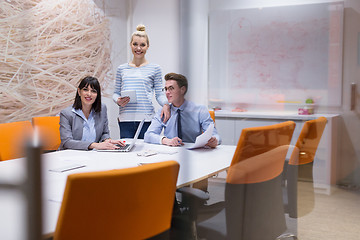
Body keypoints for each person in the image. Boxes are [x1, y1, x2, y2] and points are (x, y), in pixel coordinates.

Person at [113, 24, 170, 139]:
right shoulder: (121, 69)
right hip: (125, 120)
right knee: (127, 154)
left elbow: (159, 94)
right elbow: (116, 93)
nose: (138, 48)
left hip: (146, 119)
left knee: (146, 153)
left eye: (142, 45)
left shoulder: (155, 68)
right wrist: (118, 100)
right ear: (130, 45)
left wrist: (166, 104)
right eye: (135, 44)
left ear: (147, 46)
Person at [144, 72, 221, 147]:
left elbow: (215, 135)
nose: (167, 92)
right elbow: (148, 135)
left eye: (171, 88)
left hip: (194, 152)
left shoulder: (200, 110)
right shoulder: (163, 111)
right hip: (170, 151)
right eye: (166, 89)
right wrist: (167, 141)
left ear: (182, 89)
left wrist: (214, 141)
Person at [60, 76, 125, 150]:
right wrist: (94, 145)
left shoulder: (102, 109)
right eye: (85, 90)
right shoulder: (66, 113)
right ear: (79, 92)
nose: (89, 94)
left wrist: (107, 141)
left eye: (93, 91)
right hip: (71, 155)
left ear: (97, 94)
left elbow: (105, 133)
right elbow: (67, 142)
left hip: (93, 155)